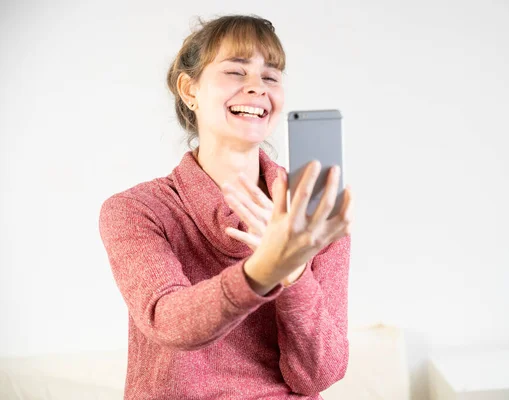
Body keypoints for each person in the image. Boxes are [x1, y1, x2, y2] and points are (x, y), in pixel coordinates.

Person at [99, 14, 353, 400]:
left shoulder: (314, 215)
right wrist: (267, 267)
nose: (257, 88)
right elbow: (171, 323)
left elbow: (318, 375)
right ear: (190, 90)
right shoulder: (137, 210)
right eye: (236, 72)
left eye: (270, 76)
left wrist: (296, 273)